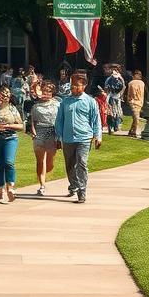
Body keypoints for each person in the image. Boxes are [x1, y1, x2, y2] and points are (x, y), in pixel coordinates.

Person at [55, 70, 102, 204]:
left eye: (77, 85)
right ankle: (73, 185)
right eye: (72, 86)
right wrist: (58, 137)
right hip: (68, 138)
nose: (74, 88)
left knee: (82, 163)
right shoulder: (65, 102)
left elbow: (96, 120)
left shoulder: (90, 101)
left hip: (84, 138)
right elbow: (59, 121)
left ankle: (82, 191)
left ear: (84, 86)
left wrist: (98, 136)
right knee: (70, 165)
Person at [28, 80, 60, 195]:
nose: (46, 93)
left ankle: (46, 171)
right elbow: (31, 121)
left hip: (52, 132)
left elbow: (61, 119)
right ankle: (42, 185)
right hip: (39, 132)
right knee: (40, 161)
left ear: (52, 93)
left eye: (48, 91)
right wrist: (32, 130)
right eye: (44, 91)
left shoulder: (57, 104)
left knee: (49, 162)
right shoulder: (35, 106)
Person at [103, 64, 125, 134]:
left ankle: (112, 126)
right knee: (116, 112)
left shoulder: (109, 79)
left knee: (111, 112)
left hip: (111, 97)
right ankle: (115, 126)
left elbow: (106, 88)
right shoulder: (120, 78)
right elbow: (123, 88)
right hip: (116, 98)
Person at [125, 69, 146, 138]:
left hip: (138, 102)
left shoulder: (141, 83)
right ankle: (134, 132)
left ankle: (131, 130)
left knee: (135, 118)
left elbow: (142, 94)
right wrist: (129, 100)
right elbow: (129, 93)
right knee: (136, 118)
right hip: (134, 102)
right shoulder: (131, 83)